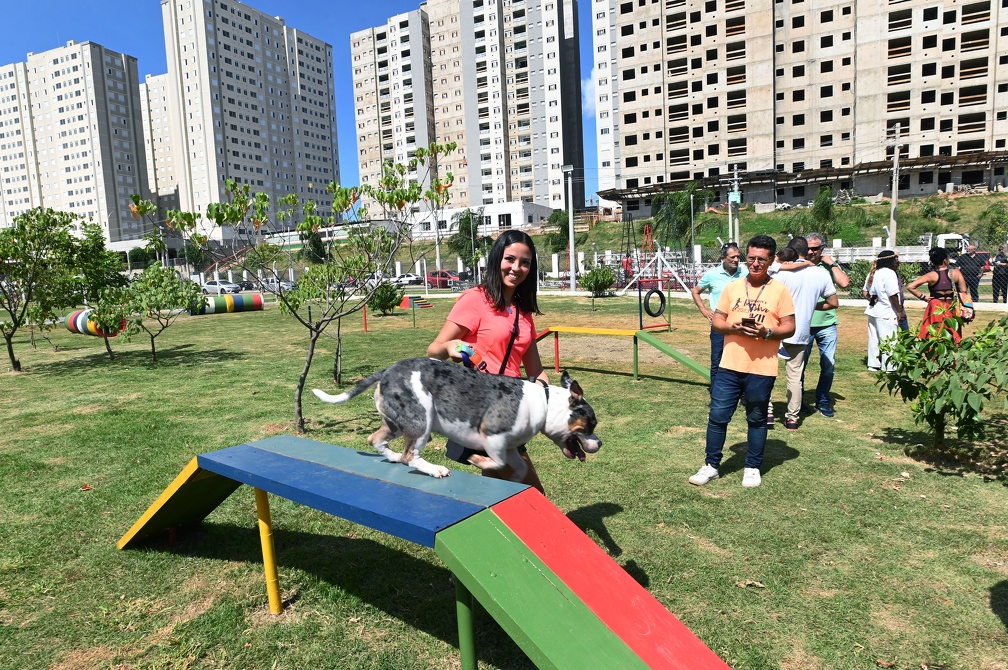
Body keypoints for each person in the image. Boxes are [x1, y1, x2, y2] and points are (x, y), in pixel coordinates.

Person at [427, 230, 548, 493]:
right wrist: (449, 347)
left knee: (496, 490)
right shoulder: (475, 300)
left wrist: (557, 404)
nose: (517, 268)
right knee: (531, 493)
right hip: (484, 410)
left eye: (525, 262)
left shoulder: (524, 312)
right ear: (496, 260)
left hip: (514, 411)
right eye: (510, 259)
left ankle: (477, 525)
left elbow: (536, 371)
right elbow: (433, 350)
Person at [689, 235, 796, 489]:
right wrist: (733, 328)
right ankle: (711, 465)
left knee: (757, 418)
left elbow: (790, 326)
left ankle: (752, 466)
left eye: (762, 259)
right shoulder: (733, 287)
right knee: (717, 416)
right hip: (729, 365)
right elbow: (717, 321)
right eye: (751, 258)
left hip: (762, 367)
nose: (755, 263)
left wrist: (767, 332)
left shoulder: (780, 290)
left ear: (771, 260)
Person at [772, 237, 838, 429]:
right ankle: (792, 417)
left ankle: (767, 412)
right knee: (795, 376)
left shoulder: (779, 272)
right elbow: (833, 303)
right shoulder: (820, 273)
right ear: (807, 251)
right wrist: (810, 307)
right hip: (800, 332)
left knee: (767, 372)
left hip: (776, 329)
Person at [799, 232, 850, 418]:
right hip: (803, 323)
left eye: (815, 248)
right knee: (799, 366)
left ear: (822, 249)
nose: (811, 252)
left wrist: (832, 264)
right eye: (808, 248)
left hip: (826, 324)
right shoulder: (797, 265)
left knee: (828, 365)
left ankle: (822, 399)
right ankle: (799, 402)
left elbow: (844, 283)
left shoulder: (827, 267)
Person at [690, 242, 745, 393]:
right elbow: (695, 291)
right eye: (732, 257)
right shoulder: (712, 275)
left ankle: (743, 394)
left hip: (740, 325)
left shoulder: (745, 273)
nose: (736, 260)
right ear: (723, 258)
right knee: (717, 360)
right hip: (719, 325)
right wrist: (704, 310)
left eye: (738, 257)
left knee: (742, 359)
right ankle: (716, 393)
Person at [906, 246, 974, 343]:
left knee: (934, 331)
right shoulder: (956, 273)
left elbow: (910, 287)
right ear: (946, 260)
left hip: (935, 306)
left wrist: (923, 297)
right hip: (951, 305)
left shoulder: (930, 275)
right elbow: (963, 291)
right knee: (952, 330)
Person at [863, 250, 906, 372]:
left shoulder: (873, 273)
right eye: (895, 259)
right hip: (886, 311)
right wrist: (899, 311)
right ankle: (889, 367)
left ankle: (873, 364)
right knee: (889, 339)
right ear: (890, 260)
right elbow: (892, 294)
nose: (897, 262)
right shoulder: (889, 273)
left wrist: (873, 299)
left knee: (874, 338)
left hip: (873, 310)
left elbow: (866, 291)